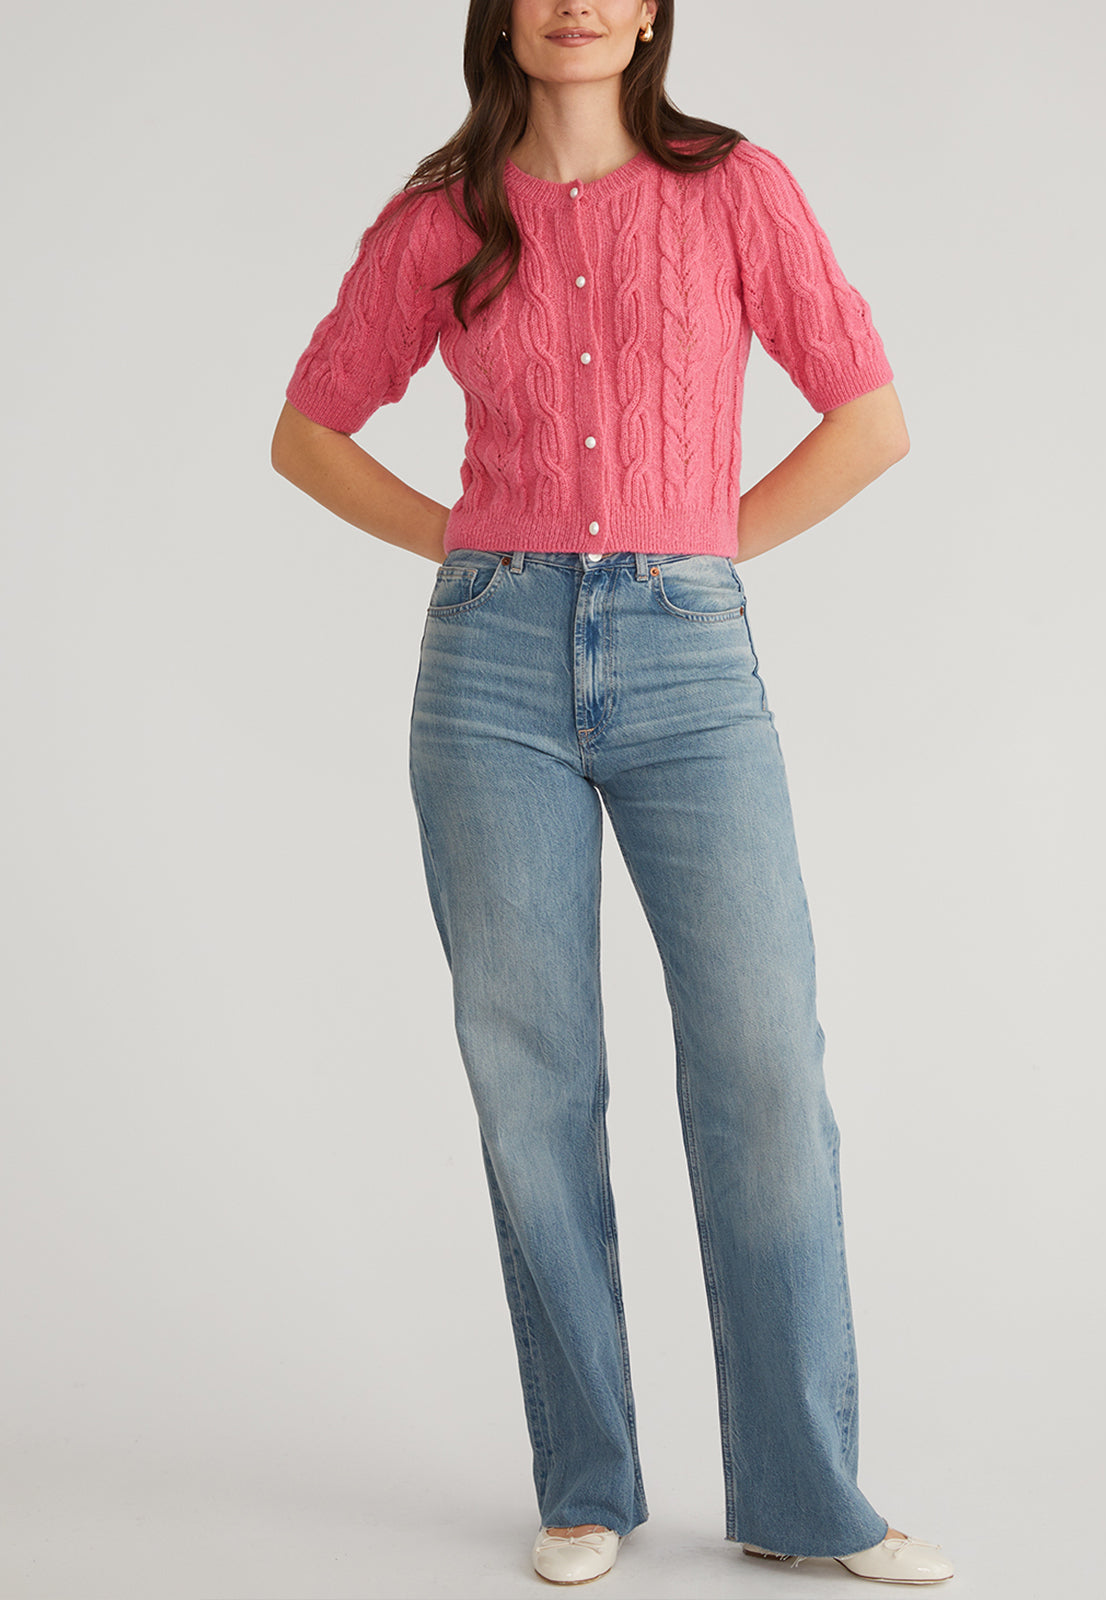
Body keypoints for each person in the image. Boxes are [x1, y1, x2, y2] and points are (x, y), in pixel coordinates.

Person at [271, 1, 955, 1588]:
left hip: (689, 658)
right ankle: (585, 1480)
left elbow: (871, 420)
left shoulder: (736, 190)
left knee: (764, 1066)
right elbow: (309, 434)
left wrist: (698, 560)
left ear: (652, 9)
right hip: (490, 670)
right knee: (533, 1081)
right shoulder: (439, 220)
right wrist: (467, 541)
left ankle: (808, 1497)